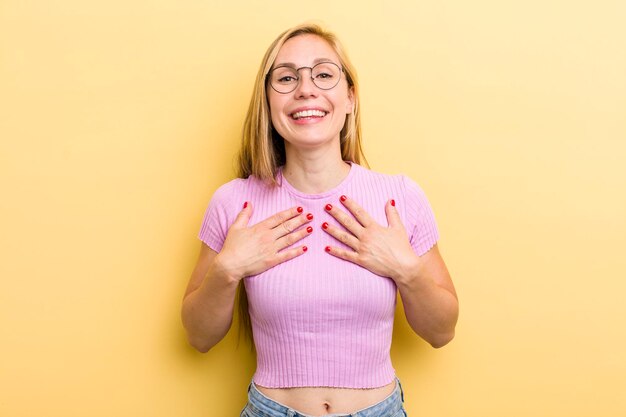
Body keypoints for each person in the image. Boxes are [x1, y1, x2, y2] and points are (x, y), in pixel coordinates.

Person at [181, 23, 458, 417]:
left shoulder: (400, 198)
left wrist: (407, 271)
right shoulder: (234, 201)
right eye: (287, 77)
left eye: (324, 74)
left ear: (350, 98)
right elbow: (199, 336)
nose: (305, 89)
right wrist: (226, 269)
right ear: (268, 102)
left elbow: (441, 332)